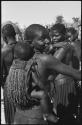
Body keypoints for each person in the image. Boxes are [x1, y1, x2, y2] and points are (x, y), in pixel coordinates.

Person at [49, 23, 81, 124]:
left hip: (62, 84)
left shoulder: (63, 49)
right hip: (67, 81)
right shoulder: (68, 45)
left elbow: (51, 65)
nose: (53, 38)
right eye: (52, 36)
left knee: (63, 116)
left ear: (64, 34)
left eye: (56, 35)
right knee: (67, 115)